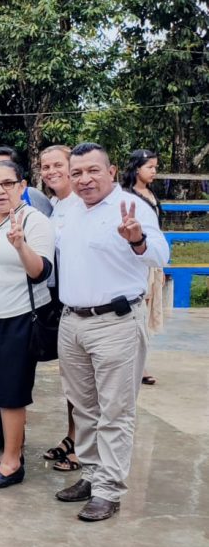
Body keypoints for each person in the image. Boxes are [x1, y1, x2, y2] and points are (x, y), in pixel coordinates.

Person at [53, 142, 169, 522]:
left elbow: (160, 256)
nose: (84, 179)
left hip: (116, 322)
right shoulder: (66, 210)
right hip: (72, 322)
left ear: (112, 170)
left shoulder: (131, 207)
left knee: (115, 411)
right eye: (77, 173)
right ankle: (91, 474)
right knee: (84, 406)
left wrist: (135, 238)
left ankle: (108, 490)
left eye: (92, 171)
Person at [0, 160, 56, 488]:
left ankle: (13, 462)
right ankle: (7, 453)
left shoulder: (35, 221)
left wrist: (20, 246)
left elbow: (41, 272)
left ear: (22, 186)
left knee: (13, 390)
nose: (0, 191)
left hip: (20, 316)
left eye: (7, 184)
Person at [36, 145, 84, 472]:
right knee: (71, 377)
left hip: (82, 299)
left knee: (84, 379)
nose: (51, 171)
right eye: (45, 166)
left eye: (58, 165)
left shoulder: (83, 204)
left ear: (71, 167)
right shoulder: (53, 205)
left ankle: (83, 446)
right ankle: (73, 434)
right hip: (60, 301)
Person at [121, 148, 165, 385]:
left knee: (147, 312)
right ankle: (138, 364)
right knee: (137, 308)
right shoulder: (126, 196)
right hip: (135, 258)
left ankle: (142, 360)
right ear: (137, 168)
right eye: (150, 167)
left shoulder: (150, 194)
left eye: (155, 167)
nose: (154, 172)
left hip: (150, 256)